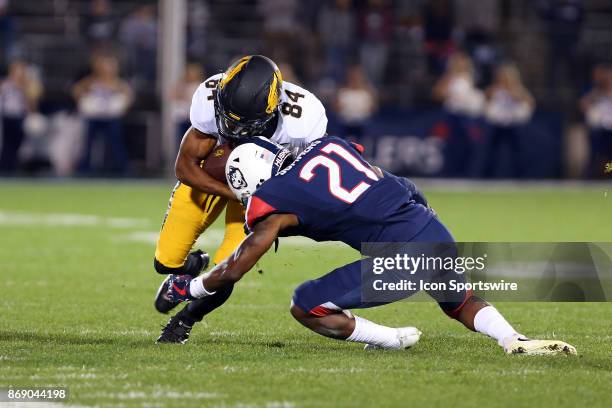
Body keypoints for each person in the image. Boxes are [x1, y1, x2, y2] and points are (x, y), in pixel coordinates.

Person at [164, 136, 576, 355]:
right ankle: (514, 340)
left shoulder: (275, 201)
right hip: (433, 228)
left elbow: (236, 265)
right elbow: (406, 186)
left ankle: (390, 339)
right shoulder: (329, 145)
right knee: (460, 302)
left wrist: (193, 287)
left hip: (404, 256)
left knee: (306, 303)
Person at [154, 55, 328, 343]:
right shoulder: (209, 97)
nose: (233, 130)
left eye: (244, 124)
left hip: (262, 192)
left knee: (228, 270)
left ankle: (183, 322)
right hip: (215, 181)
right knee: (166, 261)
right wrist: (235, 193)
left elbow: (307, 180)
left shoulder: (303, 122)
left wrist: (270, 205)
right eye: (227, 118)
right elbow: (184, 167)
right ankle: (191, 268)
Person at [72, 53, 133, 175]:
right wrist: (83, 101)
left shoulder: (117, 83)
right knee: (88, 143)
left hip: (110, 117)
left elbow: (129, 95)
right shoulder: (92, 81)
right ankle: (85, 168)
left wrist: (122, 106)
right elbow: (76, 90)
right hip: (94, 116)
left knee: (115, 143)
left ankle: (121, 168)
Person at [481, 63, 535, 178]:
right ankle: (488, 175)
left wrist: (514, 93)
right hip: (498, 123)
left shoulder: (518, 89)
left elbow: (530, 101)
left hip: (513, 123)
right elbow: (485, 98)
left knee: (517, 151)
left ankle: (521, 176)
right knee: (492, 150)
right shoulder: (495, 89)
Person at [0, 60, 42, 173]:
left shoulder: (27, 85)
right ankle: (5, 167)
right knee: (7, 144)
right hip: (7, 116)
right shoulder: (5, 84)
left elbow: (33, 103)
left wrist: (24, 88)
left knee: (20, 144)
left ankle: (16, 166)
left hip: (20, 116)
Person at [579, 64, 612, 178]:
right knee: (597, 156)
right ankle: (593, 176)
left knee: (609, 160)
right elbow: (583, 105)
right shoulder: (593, 91)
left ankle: (608, 173)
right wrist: (599, 93)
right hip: (598, 131)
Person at [335, 65, 377, 139]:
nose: (355, 78)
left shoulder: (367, 91)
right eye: (352, 76)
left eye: (357, 76)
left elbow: (373, 108)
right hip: (346, 124)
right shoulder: (343, 91)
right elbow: (336, 107)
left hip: (362, 124)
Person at [171, 63, 204, 152]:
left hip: (194, 121)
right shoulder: (182, 85)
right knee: (181, 142)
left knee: (193, 143)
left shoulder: (200, 86)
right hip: (182, 118)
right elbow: (173, 95)